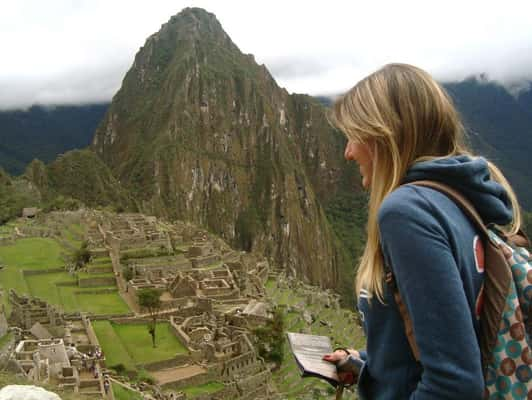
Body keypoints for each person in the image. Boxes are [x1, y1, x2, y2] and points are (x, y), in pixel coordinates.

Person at [322, 63, 522, 399]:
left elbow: (453, 384)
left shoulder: (406, 212)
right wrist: (364, 365)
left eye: (354, 137)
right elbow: (447, 339)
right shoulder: (456, 198)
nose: (348, 152)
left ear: (382, 136)